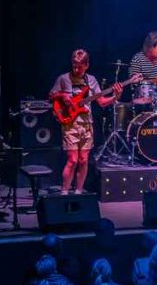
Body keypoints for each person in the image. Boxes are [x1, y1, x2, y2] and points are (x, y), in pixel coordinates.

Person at [49, 49, 122, 194]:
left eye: (79, 66)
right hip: (70, 124)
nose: (76, 69)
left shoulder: (91, 80)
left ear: (86, 65)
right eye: (74, 66)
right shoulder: (64, 79)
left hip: (87, 124)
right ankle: (64, 192)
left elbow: (101, 102)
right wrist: (63, 95)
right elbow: (51, 96)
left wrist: (115, 97)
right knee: (72, 160)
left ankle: (78, 192)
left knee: (83, 160)